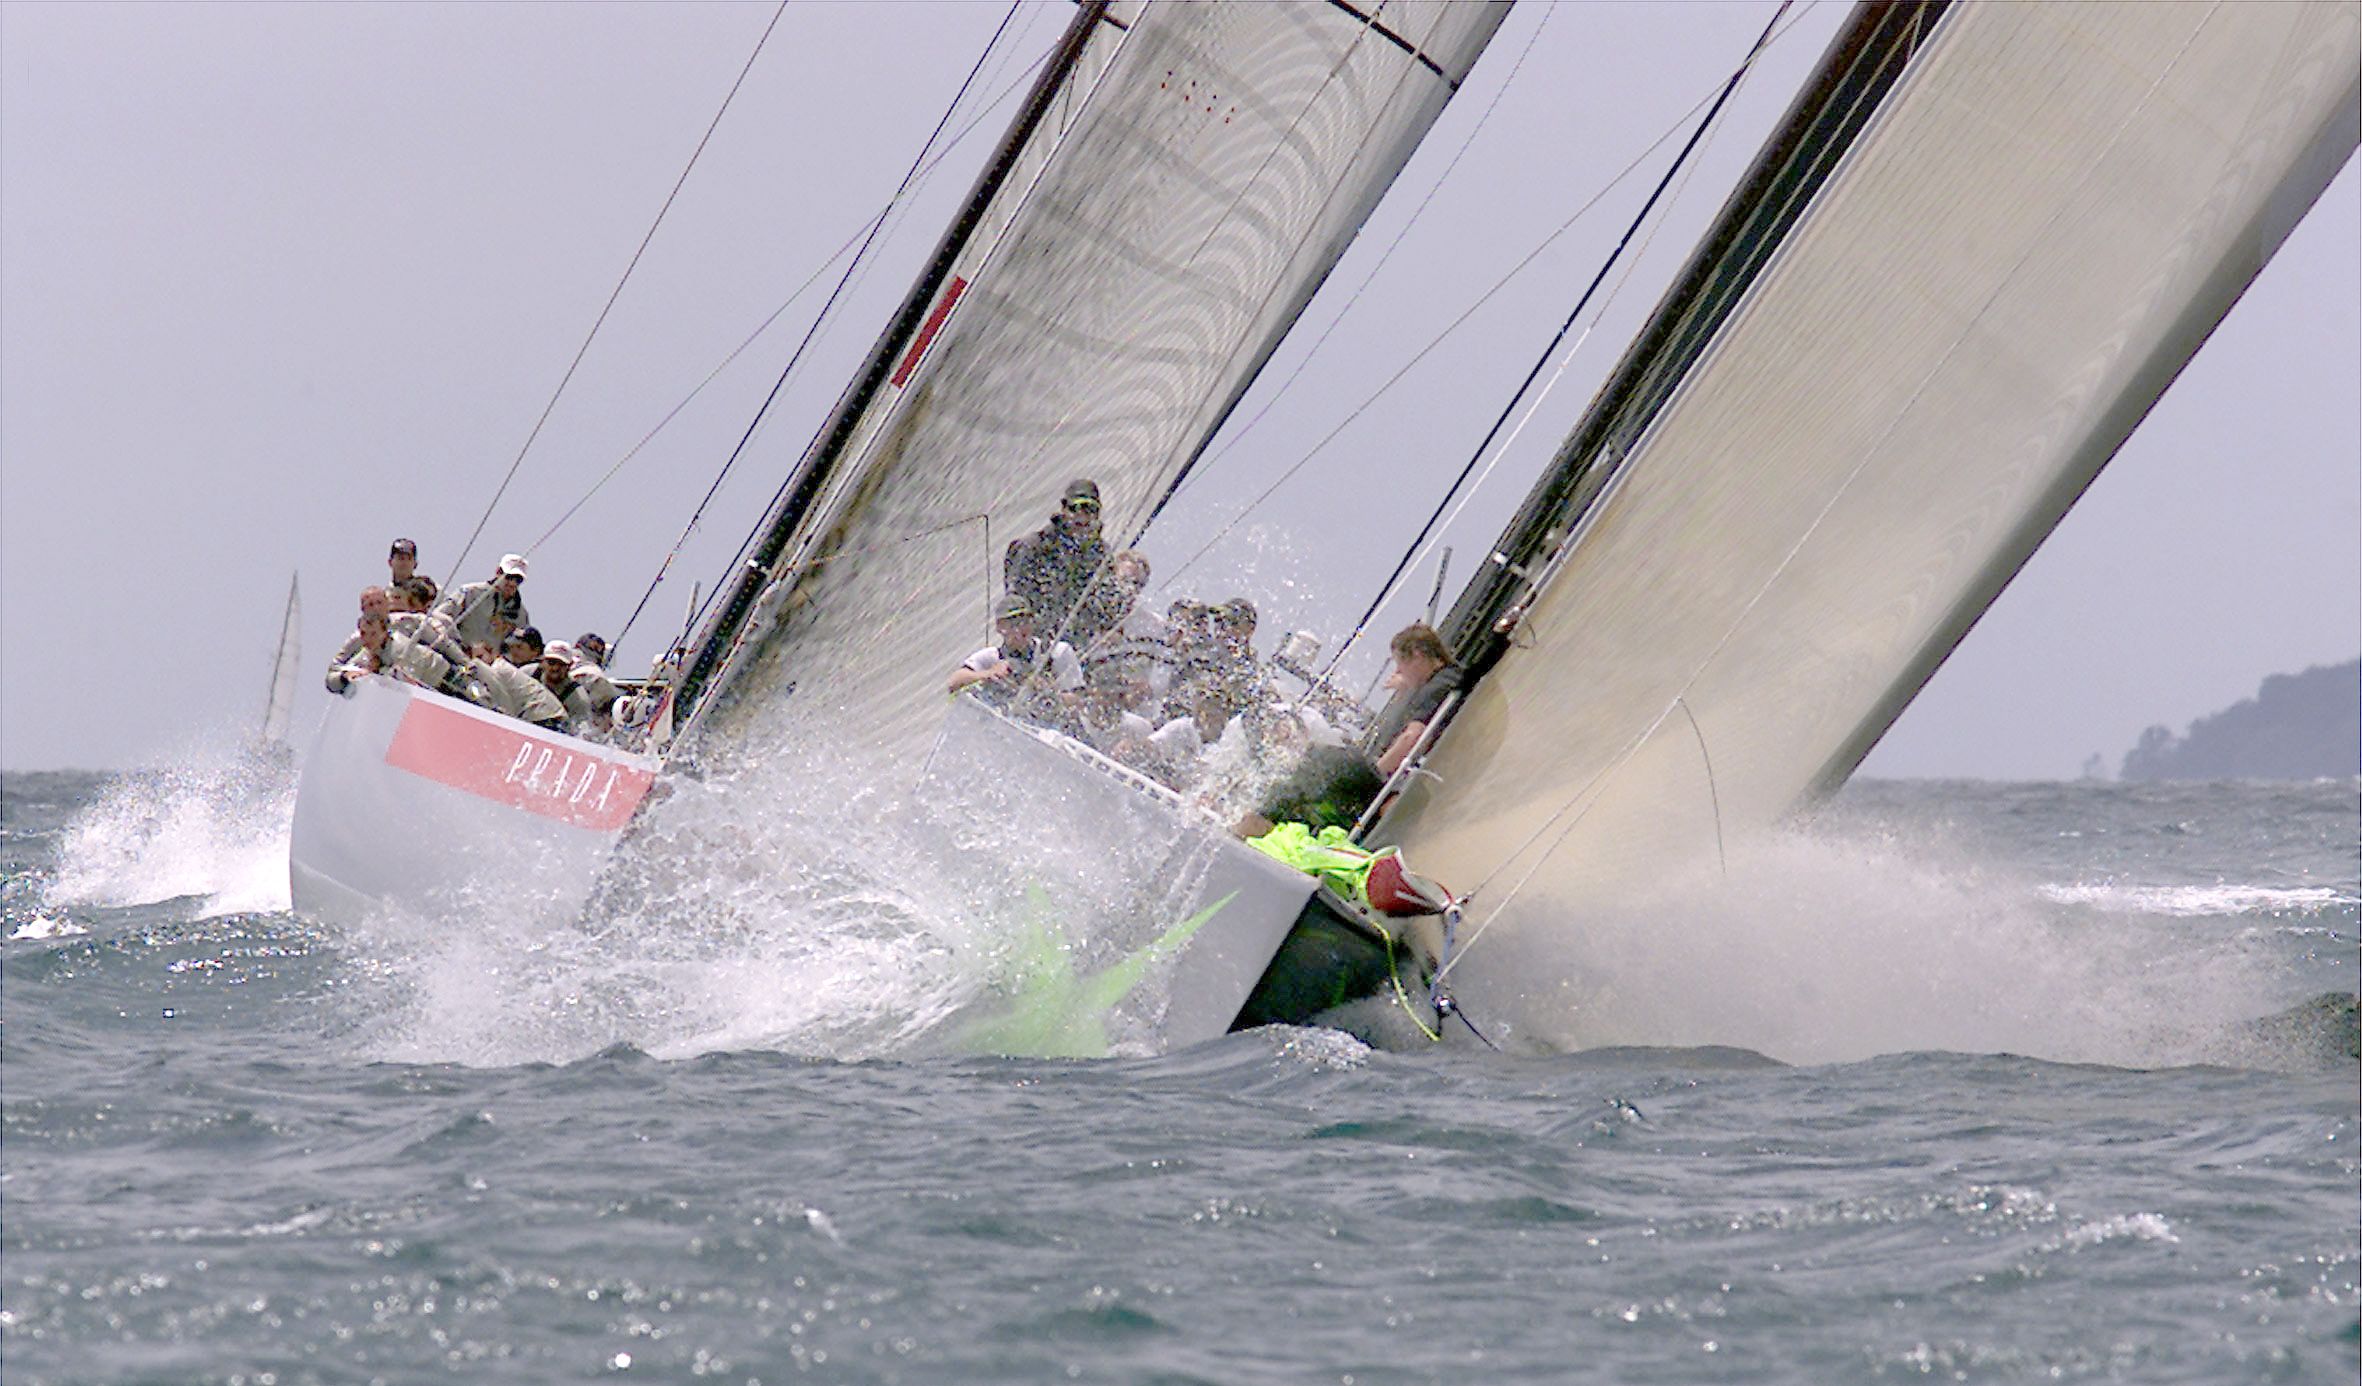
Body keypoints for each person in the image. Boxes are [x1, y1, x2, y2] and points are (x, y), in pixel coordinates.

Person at [947, 595, 1083, 716]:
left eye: (1025, 622)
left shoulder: (1056, 652)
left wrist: (1048, 692)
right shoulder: (991, 657)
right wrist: (990, 673)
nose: (1020, 629)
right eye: (1013, 624)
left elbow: (1079, 701)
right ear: (1000, 628)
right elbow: (954, 682)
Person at [1003, 479, 1107, 637]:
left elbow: (1109, 600)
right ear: (1064, 508)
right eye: (1076, 508)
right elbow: (1015, 603)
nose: (1082, 516)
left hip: (1079, 648)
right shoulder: (1032, 547)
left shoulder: (1101, 555)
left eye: (1090, 510)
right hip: (1037, 646)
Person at [1373, 622, 1462, 776]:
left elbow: (1411, 737)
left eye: (1400, 663)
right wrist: (1406, 687)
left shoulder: (1432, 690)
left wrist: (1372, 775)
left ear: (1417, 655)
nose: (1398, 671)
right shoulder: (1450, 675)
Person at [325, 608, 469, 698]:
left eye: (373, 634)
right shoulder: (365, 655)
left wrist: (374, 671)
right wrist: (344, 677)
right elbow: (331, 680)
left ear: (384, 633)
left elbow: (406, 682)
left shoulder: (400, 648)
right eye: (363, 633)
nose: (367, 639)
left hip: (446, 684)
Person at [434, 553, 531, 653]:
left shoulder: (521, 615)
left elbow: (520, 648)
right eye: (509, 577)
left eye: (518, 580)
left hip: (488, 666)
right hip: (458, 658)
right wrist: (459, 644)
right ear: (498, 572)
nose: (512, 583)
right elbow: (440, 616)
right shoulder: (470, 592)